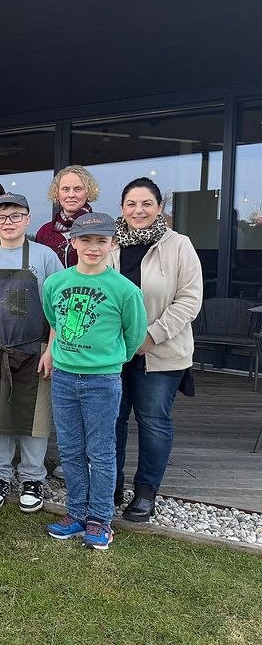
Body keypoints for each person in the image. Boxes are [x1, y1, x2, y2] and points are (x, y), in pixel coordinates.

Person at [42, 212, 147, 550]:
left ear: (112, 243)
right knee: (70, 449)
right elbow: (53, 319)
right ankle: (75, 513)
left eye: (101, 240)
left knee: (100, 452)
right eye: (85, 240)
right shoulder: (56, 283)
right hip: (64, 377)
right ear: (73, 242)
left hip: (103, 380)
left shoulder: (124, 290)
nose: (93, 247)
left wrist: (110, 360)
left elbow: (135, 334)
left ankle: (100, 519)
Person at [0, 193, 63, 513]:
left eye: (16, 216)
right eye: (1, 217)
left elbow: (60, 305)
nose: (8, 223)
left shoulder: (45, 257)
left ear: (27, 219)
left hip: (35, 349)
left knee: (34, 418)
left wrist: (53, 349)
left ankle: (32, 478)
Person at [109, 177, 203, 523]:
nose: (139, 210)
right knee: (113, 421)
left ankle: (146, 492)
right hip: (113, 353)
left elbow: (189, 300)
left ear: (159, 207)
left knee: (153, 421)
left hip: (160, 352)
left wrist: (151, 336)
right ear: (122, 208)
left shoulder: (179, 245)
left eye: (147, 203)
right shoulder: (109, 245)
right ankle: (111, 486)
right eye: (131, 203)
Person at [36, 165, 100, 267]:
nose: (71, 195)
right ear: (57, 193)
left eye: (78, 189)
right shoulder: (44, 232)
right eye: (65, 189)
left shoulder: (99, 227)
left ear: (88, 192)